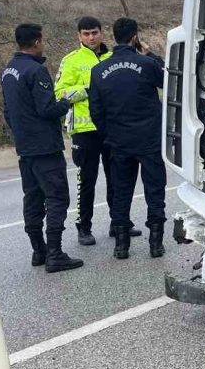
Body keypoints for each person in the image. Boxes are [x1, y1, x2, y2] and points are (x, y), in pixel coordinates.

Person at [1, 23, 84, 273]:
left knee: (33, 198)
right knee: (57, 198)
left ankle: (39, 249)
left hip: (25, 147)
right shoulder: (36, 71)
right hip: (45, 148)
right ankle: (55, 253)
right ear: (37, 42)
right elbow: (46, 109)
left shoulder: (9, 71)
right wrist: (66, 102)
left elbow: (7, 111)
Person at [54, 16, 141, 246]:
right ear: (79, 36)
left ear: (102, 33)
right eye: (86, 34)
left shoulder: (114, 57)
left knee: (117, 178)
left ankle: (119, 223)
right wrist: (90, 89)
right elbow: (60, 93)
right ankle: (84, 227)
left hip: (112, 128)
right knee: (87, 181)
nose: (91, 37)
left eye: (94, 32)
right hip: (84, 131)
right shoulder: (71, 60)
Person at [88, 18, 167, 260]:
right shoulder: (146, 64)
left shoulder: (99, 70)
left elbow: (96, 110)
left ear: (113, 36)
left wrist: (108, 134)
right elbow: (169, 81)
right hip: (149, 139)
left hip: (119, 141)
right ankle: (155, 243)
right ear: (135, 37)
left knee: (121, 192)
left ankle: (121, 246)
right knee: (155, 190)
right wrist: (152, 55)